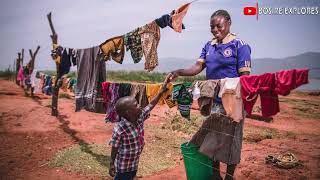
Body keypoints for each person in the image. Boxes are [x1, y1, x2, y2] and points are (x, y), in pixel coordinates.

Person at [170, 10, 251, 180]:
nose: (215, 29)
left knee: (232, 139)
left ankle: (229, 176)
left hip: (233, 101)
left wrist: (241, 100)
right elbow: (197, 67)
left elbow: (245, 77)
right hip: (213, 100)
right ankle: (215, 174)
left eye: (218, 25)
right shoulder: (209, 45)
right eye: (212, 27)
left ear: (228, 23)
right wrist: (180, 71)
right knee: (213, 137)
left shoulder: (239, 45)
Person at [108, 74, 172, 180]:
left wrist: (161, 91)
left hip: (134, 162)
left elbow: (151, 105)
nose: (140, 106)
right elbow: (114, 147)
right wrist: (111, 164)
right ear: (129, 112)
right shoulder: (120, 129)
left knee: (131, 176)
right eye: (136, 105)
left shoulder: (139, 117)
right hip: (123, 166)